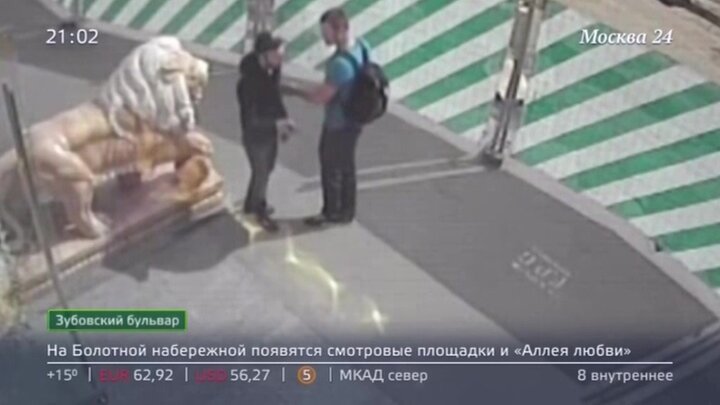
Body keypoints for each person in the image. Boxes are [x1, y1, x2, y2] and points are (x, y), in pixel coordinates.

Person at [289, 8, 371, 227]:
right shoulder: (362, 46)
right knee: (347, 165)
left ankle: (331, 212)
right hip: (357, 119)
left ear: (340, 30)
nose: (323, 37)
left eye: (326, 32)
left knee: (331, 166)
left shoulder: (338, 65)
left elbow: (321, 97)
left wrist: (294, 90)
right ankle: (347, 211)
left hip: (338, 123)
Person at [237, 31, 296, 232]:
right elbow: (251, 120)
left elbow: (275, 98)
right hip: (255, 136)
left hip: (269, 133)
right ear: (264, 54)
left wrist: (283, 120)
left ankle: (251, 204)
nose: (281, 60)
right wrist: (277, 125)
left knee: (266, 170)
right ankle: (258, 211)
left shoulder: (272, 72)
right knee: (261, 173)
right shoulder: (248, 83)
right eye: (277, 55)